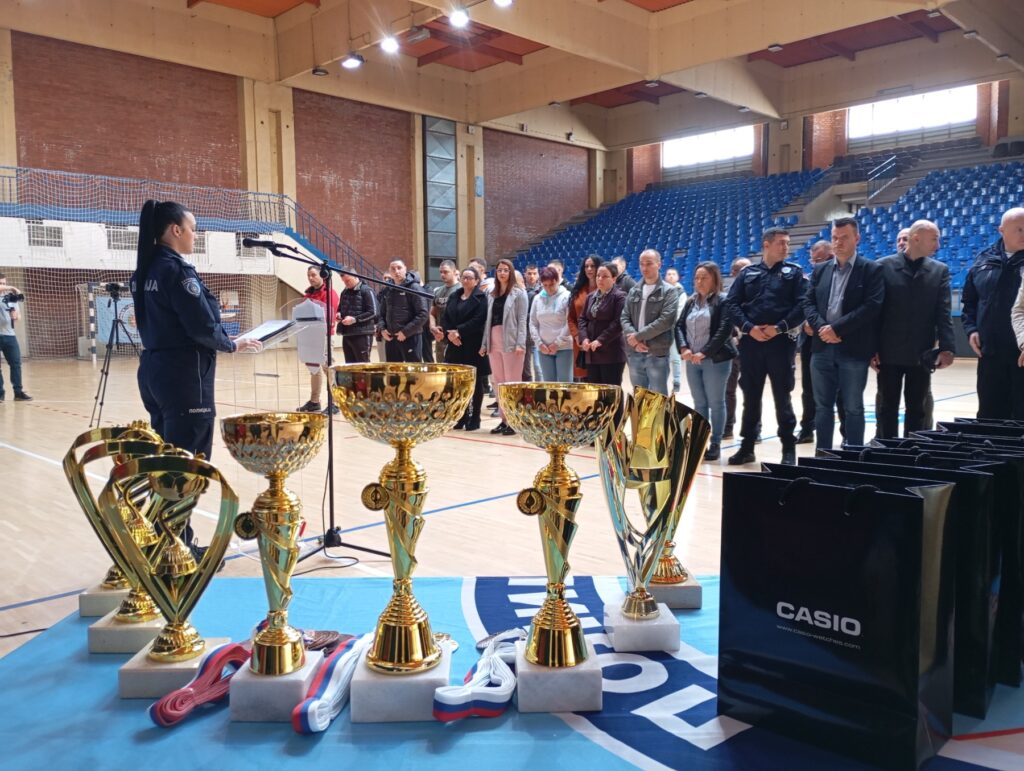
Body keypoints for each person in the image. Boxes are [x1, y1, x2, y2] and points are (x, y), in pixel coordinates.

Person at [130, 200, 261, 554]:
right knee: (188, 464)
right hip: (185, 377)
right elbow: (201, 325)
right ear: (175, 230)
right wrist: (231, 344)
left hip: (155, 371)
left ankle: (162, 539)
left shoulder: (144, 270)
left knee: (166, 460)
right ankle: (178, 549)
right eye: (192, 229)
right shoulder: (176, 272)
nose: (194, 235)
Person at [801, 218, 885, 451]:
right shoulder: (820, 270)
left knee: (853, 408)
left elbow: (871, 306)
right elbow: (808, 302)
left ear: (857, 238)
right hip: (821, 347)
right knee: (822, 407)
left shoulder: (871, 269)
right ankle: (823, 455)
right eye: (835, 238)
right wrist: (822, 328)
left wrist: (836, 329)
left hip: (853, 349)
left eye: (844, 237)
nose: (838, 242)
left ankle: (853, 458)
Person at [725, 228, 806, 466]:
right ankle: (747, 446)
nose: (786, 247)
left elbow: (802, 305)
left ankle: (788, 448)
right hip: (751, 344)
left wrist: (779, 327)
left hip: (781, 343)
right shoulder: (747, 273)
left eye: (787, 243)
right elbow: (732, 304)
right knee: (751, 396)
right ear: (766, 245)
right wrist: (749, 328)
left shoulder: (794, 273)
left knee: (783, 395)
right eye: (781, 243)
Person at [874, 219, 955, 438]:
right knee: (887, 407)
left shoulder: (939, 270)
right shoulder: (882, 267)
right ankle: (887, 450)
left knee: (917, 409)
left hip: (922, 353)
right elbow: (874, 312)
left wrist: (947, 348)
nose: (938, 245)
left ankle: (913, 451)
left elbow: (943, 312)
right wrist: (871, 349)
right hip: (888, 353)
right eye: (934, 239)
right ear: (916, 238)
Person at [962, 207, 1024, 418]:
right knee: (989, 414)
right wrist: (971, 329)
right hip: (990, 354)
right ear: (1002, 230)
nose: (1023, 234)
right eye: (1018, 229)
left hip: (1021, 354)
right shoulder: (983, 260)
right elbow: (969, 302)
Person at [675, 262, 736, 461]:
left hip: (715, 361)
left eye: (704, 278)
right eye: (697, 278)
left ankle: (716, 442)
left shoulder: (723, 300)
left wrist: (704, 352)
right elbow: (679, 326)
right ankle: (701, 441)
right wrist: (683, 347)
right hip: (692, 360)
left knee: (716, 402)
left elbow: (724, 330)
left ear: (714, 279)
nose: (699, 281)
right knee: (699, 402)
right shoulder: (690, 301)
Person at [621, 249, 679, 396]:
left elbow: (666, 321)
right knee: (640, 397)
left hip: (656, 352)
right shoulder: (634, 290)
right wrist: (634, 340)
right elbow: (624, 317)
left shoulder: (669, 291)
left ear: (659, 264)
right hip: (635, 352)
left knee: (658, 398)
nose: (644, 268)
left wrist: (638, 336)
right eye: (641, 264)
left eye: (649, 263)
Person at [481, 258, 528, 436]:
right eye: (499, 270)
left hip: (512, 341)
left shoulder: (519, 293)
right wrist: (485, 343)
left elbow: (522, 320)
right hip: (494, 339)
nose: (502, 273)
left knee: (511, 383)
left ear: (511, 272)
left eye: (506, 270)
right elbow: (488, 320)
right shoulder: (492, 293)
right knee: (498, 382)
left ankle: (515, 421)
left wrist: (520, 343)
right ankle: (504, 420)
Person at [796, 240, 834, 444]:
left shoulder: (841, 278)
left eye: (819, 260)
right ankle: (807, 428)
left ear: (831, 257)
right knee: (808, 389)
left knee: (840, 391)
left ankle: (845, 433)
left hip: (835, 338)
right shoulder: (808, 281)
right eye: (813, 261)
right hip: (810, 342)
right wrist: (804, 323)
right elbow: (802, 307)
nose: (815, 264)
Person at [442, 266, 488, 431]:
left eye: (469, 278)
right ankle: (461, 416)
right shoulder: (454, 295)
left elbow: (479, 319)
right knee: (457, 382)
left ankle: (475, 417)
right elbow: (445, 317)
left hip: (473, 343)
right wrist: (450, 334)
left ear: (476, 281)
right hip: (455, 344)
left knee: (475, 382)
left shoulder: (481, 297)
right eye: (464, 277)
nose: (466, 280)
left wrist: (459, 331)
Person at [296, 265, 340, 414]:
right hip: (310, 336)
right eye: (308, 275)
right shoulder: (307, 295)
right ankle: (314, 402)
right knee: (313, 369)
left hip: (324, 335)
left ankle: (335, 402)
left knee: (328, 368)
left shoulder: (330, 293)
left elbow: (329, 316)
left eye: (313, 275)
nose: (310, 278)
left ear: (322, 275)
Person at [578, 262, 627, 387]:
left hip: (611, 353)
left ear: (614, 278)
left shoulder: (620, 297)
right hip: (592, 353)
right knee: (595, 392)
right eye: (598, 276)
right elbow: (583, 319)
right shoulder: (590, 297)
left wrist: (600, 340)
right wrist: (584, 338)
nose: (600, 279)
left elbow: (618, 323)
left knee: (611, 392)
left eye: (605, 276)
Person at [378, 259, 428, 362]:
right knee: (393, 370)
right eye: (393, 269)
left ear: (405, 269)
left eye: (399, 268)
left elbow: (423, 314)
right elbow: (381, 313)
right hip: (391, 338)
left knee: (412, 370)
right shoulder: (387, 289)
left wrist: (405, 332)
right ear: (390, 271)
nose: (396, 271)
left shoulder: (414, 287)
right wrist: (382, 329)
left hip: (410, 336)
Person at [723, 257, 751, 439]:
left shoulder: (758, 292)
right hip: (732, 348)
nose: (748, 273)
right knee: (729, 389)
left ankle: (754, 429)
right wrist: (732, 335)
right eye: (743, 270)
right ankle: (728, 426)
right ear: (734, 273)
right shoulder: (728, 294)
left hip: (753, 346)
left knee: (751, 389)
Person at [530, 266, 574, 381]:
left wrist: (557, 343)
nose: (548, 288)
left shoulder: (567, 296)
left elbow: (569, 322)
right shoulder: (537, 298)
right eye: (545, 285)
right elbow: (533, 323)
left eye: (552, 284)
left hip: (564, 346)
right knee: (549, 383)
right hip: (543, 347)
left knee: (565, 382)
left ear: (557, 281)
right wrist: (539, 343)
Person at [568, 255, 601, 382]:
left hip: (599, 342)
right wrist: (577, 336)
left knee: (601, 380)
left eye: (593, 266)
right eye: (586, 266)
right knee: (584, 380)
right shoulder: (578, 290)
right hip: (581, 343)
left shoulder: (605, 289)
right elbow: (571, 318)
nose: (589, 269)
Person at [0, 274, 31, 402]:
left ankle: (18, 393)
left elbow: (18, 316)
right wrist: (12, 287)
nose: (3, 286)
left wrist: (15, 316)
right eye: (1, 283)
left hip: (10, 336)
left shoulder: (11, 298)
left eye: (4, 283)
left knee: (16, 364)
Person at [336, 271, 378, 364]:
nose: (346, 283)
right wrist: (339, 314)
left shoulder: (367, 290)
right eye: (343, 281)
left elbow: (373, 312)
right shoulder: (344, 292)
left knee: (363, 364)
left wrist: (354, 319)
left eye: (348, 280)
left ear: (355, 276)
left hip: (362, 333)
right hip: (347, 333)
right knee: (349, 365)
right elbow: (340, 308)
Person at [429, 260, 460, 364]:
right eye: (441, 272)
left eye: (446, 272)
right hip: (440, 338)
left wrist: (456, 332)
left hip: (455, 338)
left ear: (454, 272)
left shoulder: (461, 289)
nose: (442, 275)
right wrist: (433, 327)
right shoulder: (438, 291)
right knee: (441, 369)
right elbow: (432, 313)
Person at [664, 266, 687, 394]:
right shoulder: (662, 290)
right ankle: (662, 381)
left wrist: (666, 322)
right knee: (663, 357)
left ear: (678, 277)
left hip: (673, 328)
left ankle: (677, 382)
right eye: (669, 274)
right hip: (662, 329)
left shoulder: (681, 292)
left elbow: (679, 312)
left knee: (675, 356)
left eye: (673, 274)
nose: (671, 276)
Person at [522, 264, 541, 381]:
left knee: (538, 366)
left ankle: (540, 388)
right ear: (525, 274)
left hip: (538, 331)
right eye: (529, 273)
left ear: (538, 275)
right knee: (525, 367)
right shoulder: (521, 290)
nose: (532, 276)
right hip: (524, 331)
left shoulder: (542, 291)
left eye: (534, 273)